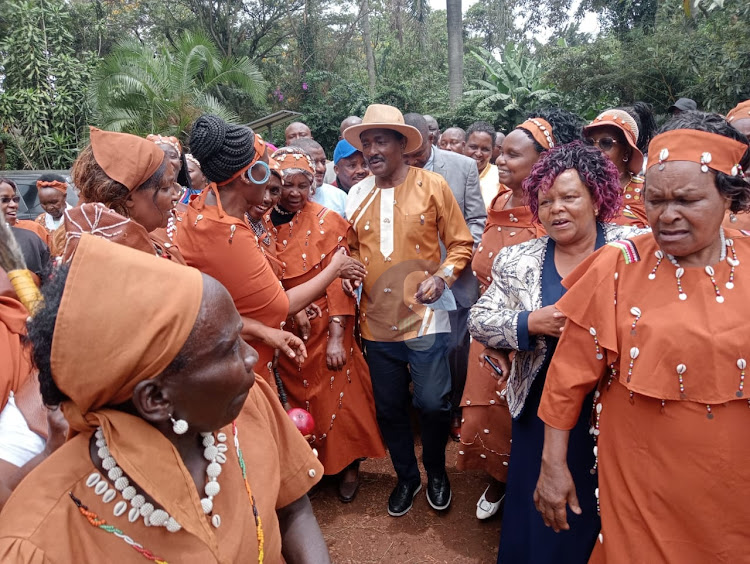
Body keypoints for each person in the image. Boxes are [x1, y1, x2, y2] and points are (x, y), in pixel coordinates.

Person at [0, 233, 330, 563]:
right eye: (228, 349)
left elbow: (294, 511)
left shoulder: (249, 402)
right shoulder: (38, 541)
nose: (251, 358)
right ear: (156, 398)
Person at [534, 112, 750, 564]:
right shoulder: (618, 264)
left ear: (729, 198)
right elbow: (567, 376)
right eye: (655, 200)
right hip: (641, 475)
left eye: (687, 200)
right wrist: (552, 466)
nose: (666, 215)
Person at [469, 141, 645, 563]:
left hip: (618, 406)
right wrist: (530, 322)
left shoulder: (634, 248)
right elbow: (478, 318)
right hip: (539, 407)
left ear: (596, 197)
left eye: (569, 197)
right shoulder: (518, 259)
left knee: (609, 509)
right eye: (545, 201)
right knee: (544, 511)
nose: (556, 210)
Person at [344, 104, 474, 517]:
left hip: (425, 319)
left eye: (381, 141)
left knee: (434, 403)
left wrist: (443, 278)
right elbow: (348, 253)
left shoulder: (432, 185)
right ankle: (407, 478)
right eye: (366, 143)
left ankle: (436, 470)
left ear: (403, 144)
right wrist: (347, 275)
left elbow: (461, 244)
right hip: (375, 324)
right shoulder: (356, 194)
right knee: (390, 408)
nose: (372, 150)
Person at [175, 115, 365, 383]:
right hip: (239, 368)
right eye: (266, 169)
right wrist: (335, 268)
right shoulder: (228, 233)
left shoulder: (201, 207)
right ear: (250, 175)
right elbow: (281, 306)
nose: (273, 186)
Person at [459, 108, 582, 521]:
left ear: (542, 162)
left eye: (512, 155)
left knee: (520, 418)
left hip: (529, 339)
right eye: (500, 152)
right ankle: (498, 480)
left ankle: (530, 488)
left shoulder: (554, 216)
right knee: (486, 414)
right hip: (488, 329)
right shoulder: (498, 200)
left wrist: (515, 342)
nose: (499, 161)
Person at [264, 146, 385, 502]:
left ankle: (348, 466)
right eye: (287, 185)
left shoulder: (328, 221)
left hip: (329, 327)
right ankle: (310, 465)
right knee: (298, 400)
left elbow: (338, 282)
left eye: (304, 184)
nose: (295, 193)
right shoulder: (262, 223)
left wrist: (336, 337)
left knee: (339, 398)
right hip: (285, 330)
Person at [403, 113, 486, 442]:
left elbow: (477, 220)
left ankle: (453, 407)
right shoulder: (393, 170)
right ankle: (425, 406)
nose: (412, 159)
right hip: (407, 280)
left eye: (418, 152)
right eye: (406, 153)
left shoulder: (461, 167)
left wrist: (454, 262)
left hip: (454, 278)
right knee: (416, 344)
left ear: (431, 140)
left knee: (453, 346)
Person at [69, 127, 182, 262]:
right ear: (129, 197)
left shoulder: (151, 236)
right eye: (165, 188)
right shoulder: (102, 259)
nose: (176, 195)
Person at [583, 109, 648, 227]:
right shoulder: (581, 188)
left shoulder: (647, 192)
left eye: (606, 143)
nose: (595, 150)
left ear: (626, 153)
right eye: (590, 142)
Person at [0, 179, 49, 282]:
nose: (14, 205)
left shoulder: (31, 239)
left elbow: (48, 281)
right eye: (4, 200)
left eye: (15, 199)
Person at [290, 137, 347, 218]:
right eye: (313, 162)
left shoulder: (339, 197)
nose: (321, 168)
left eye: (323, 162)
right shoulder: (284, 200)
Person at [33, 174, 71, 257]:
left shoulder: (76, 219)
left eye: (54, 202)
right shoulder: (39, 221)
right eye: (43, 203)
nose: (49, 208)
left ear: (64, 197)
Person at [465, 121, 500, 208]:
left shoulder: (500, 177)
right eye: (473, 147)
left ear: (492, 152)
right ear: (463, 146)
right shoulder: (450, 173)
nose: (478, 153)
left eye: (485, 149)